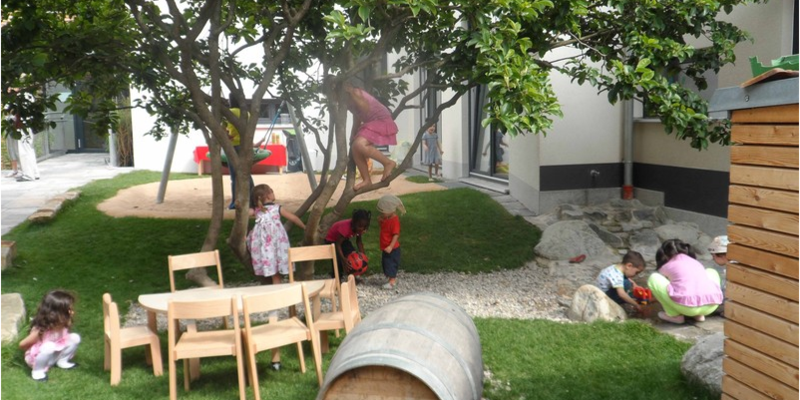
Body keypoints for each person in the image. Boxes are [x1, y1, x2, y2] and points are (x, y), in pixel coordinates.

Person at [648, 239, 724, 324]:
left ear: (664, 255)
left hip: (688, 308)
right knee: (711, 271)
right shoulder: (695, 262)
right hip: (711, 306)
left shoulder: (666, 266)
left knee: (653, 278)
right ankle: (699, 315)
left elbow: (666, 286)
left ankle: (674, 316)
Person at [341, 82, 398, 191]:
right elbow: (357, 117)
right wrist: (352, 135)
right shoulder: (349, 101)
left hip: (380, 120)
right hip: (371, 122)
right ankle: (366, 180)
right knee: (354, 147)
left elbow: (364, 109)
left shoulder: (355, 93)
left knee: (359, 144)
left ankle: (388, 162)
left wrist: (351, 93)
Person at [246, 184, 306, 286]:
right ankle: (277, 293)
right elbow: (294, 218)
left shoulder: (257, 211)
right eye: (271, 191)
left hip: (265, 246)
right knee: (276, 273)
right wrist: (305, 227)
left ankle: (274, 287)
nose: (273, 193)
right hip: (276, 244)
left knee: (274, 271)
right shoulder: (277, 208)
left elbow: (243, 214)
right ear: (268, 195)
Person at [19, 290, 81, 382]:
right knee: (49, 346)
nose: (72, 312)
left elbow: (63, 338)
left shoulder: (64, 323)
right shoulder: (41, 329)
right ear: (57, 313)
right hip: (39, 359)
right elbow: (22, 344)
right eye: (69, 310)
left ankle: (62, 361)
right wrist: (32, 352)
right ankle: (38, 371)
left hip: (53, 355)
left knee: (75, 337)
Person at [225, 95, 256, 210]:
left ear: (231, 100)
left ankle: (234, 202)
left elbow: (224, 129)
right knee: (245, 173)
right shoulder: (246, 113)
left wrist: (228, 137)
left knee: (235, 176)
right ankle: (253, 200)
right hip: (245, 146)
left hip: (233, 146)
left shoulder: (229, 112)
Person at [324, 209, 371, 282]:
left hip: (343, 240)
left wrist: (363, 256)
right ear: (354, 223)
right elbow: (338, 244)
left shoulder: (359, 229)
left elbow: (359, 242)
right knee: (338, 260)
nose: (361, 228)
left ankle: (352, 277)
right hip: (332, 240)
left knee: (353, 256)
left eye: (364, 227)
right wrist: (343, 259)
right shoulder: (345, 228)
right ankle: (337, 279)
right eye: (359, 226)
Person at [377, 194, 406, 290]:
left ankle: (392, 281)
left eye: (383, 212)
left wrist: (390, 246)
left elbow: (395, 235)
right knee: (385, 263)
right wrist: (380, 221)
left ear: (390, 210)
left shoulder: (394, 221)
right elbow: (383, 228)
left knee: (391, 264)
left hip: (392, 248)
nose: (381, 214)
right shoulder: (387, 219)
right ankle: (389, 278)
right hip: (385, 247)